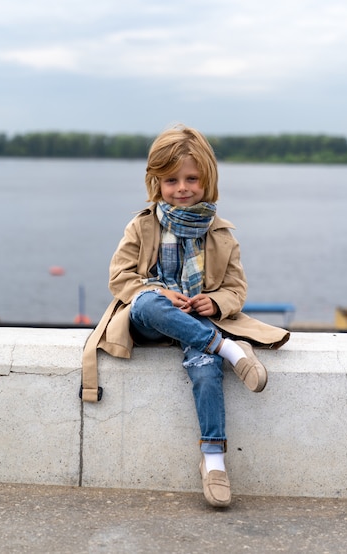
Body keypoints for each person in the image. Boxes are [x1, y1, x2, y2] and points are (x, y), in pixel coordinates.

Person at [81, 124, 290, 507]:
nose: (182, 188)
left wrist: (215, 303)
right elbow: (120, 278)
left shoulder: (222, 233)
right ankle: (229, 349)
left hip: (197, 324)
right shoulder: (143, 225)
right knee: (146, 303)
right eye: (172, 180)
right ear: (155, 182)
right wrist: (159, 291)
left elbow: (235, 289)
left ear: (207, 180)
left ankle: (214, 462)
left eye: (192, 178)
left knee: (205, 371)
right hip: (153, 318)